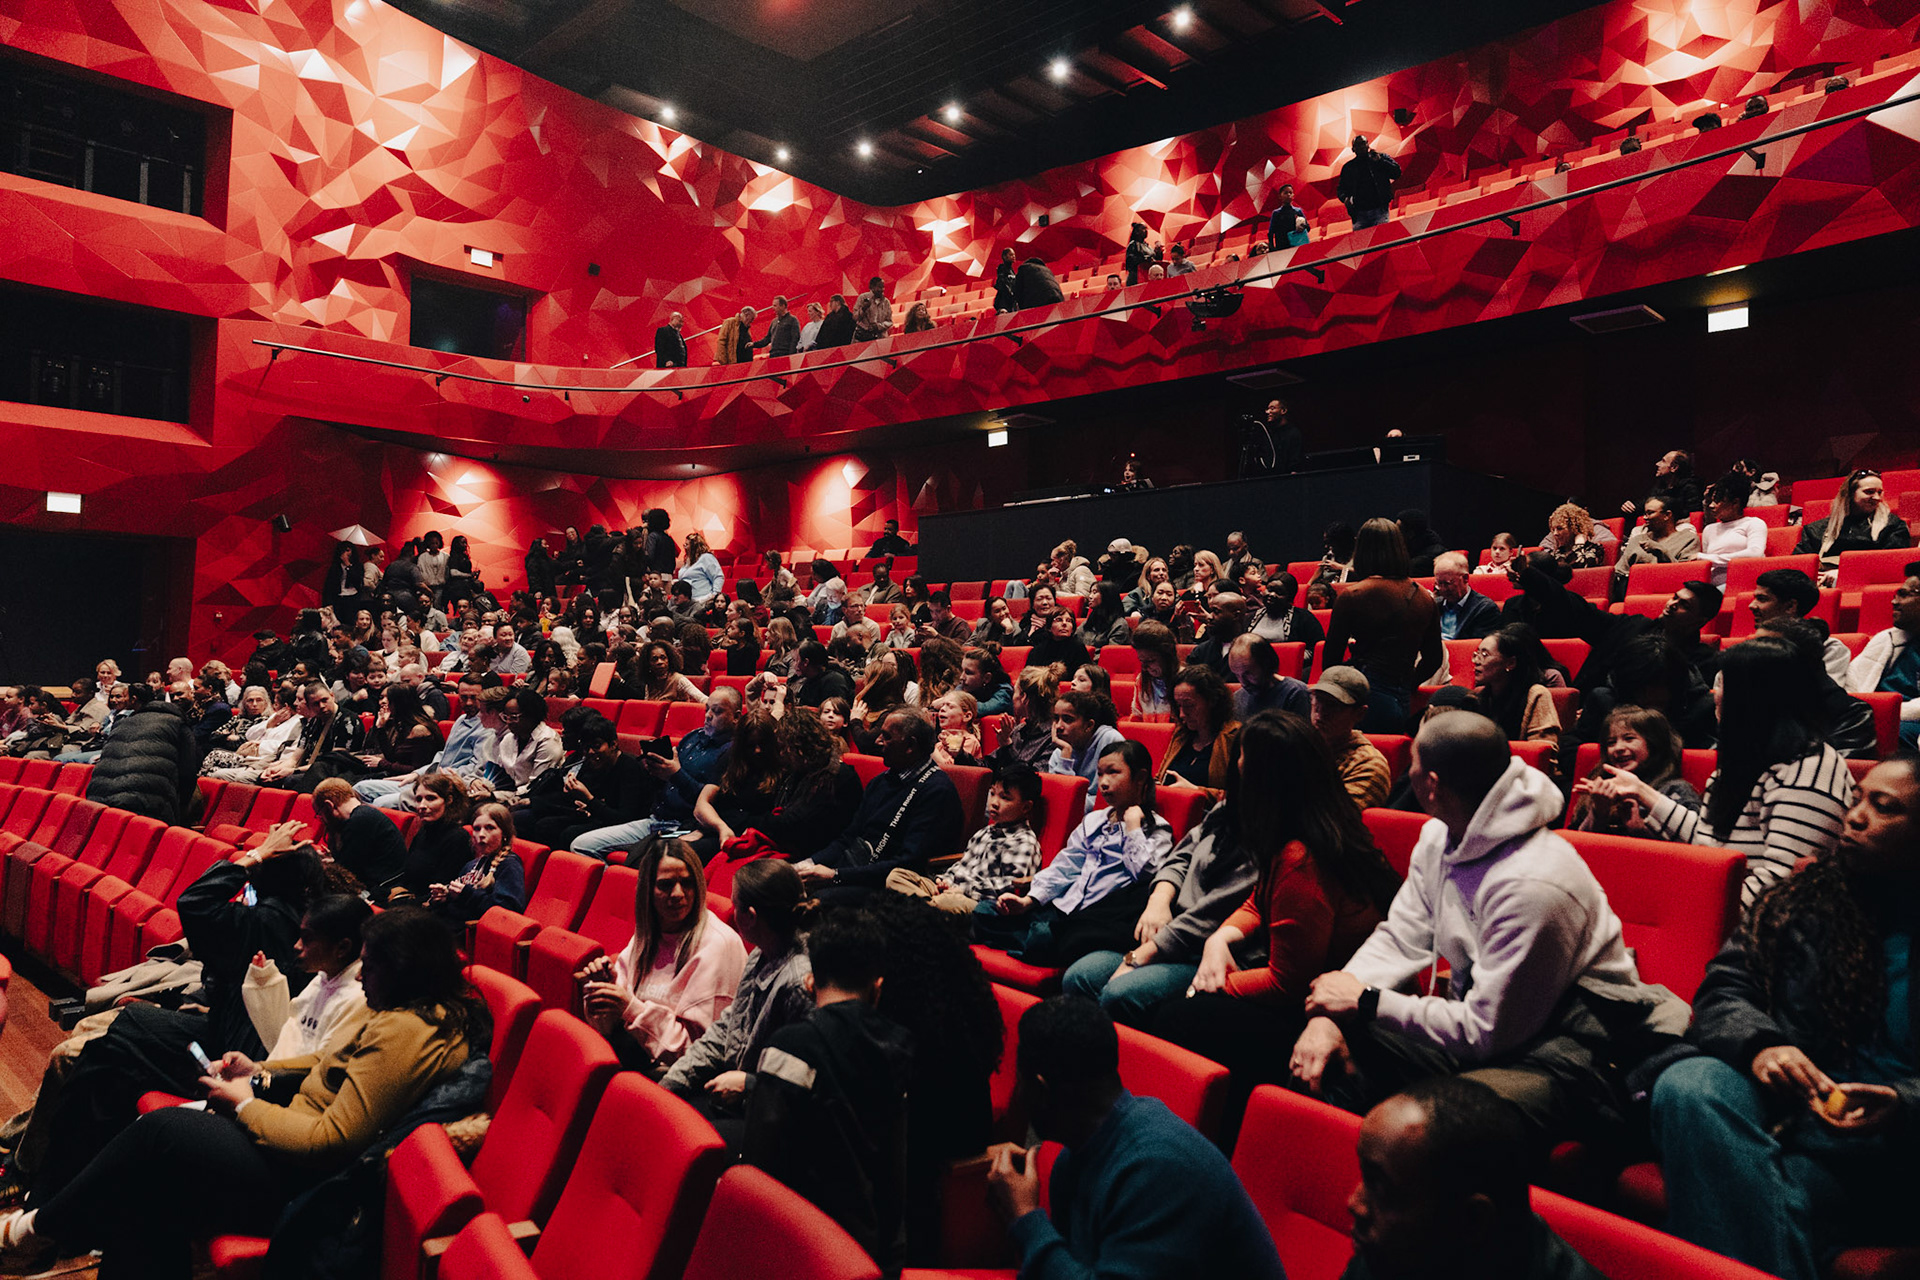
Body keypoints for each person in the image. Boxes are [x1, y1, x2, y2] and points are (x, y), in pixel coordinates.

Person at [0, 908, 487, 1280]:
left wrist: (245, 1105)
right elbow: (325, 1061)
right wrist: (258, 1070)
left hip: (308, 1185)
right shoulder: (404, 1012)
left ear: (404, 971)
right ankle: (40, 1232)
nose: (360, 976)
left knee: (161, 1132)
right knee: (148, 1194)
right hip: (288, 1147)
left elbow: (333, 1141)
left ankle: (34, 1232)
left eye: (372, 966)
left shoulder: (406, 1030)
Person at [1290, 713, 1688, 1147]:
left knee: (1433, 1127)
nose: (1407, 773)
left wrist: (1364, 1001)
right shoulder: (1439, 837)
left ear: (1432, 785)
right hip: (1490, 1026)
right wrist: (1330, 1015)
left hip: (1569, 1051)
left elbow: (1486, 1031)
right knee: (1319, 1046)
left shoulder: (1533, 882)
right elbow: (1401, 937)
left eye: (1412, 766)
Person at [1649, 757, 1920, 1280]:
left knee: (1751, 1193)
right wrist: (1763, 1046)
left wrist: (1903, 1104)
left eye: (1884, 808)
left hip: (1884, 1153)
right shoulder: (1801, 900)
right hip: (1784, 1111)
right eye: (1858, 798)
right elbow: (1725, 989)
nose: (1855, 816)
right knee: (1690, 1082)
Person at [1146, 709, 1401, 1078]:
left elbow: (1288, 983)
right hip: (1310, 987)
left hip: (1339, 1014)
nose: (1237, 768)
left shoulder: (1302, 856)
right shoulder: (1308, 822)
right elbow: (1258, 900)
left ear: (1267, 780)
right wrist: (1219, 939)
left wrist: (1214, 985)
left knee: (1176, 1016)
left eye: (1244, 759)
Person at [985, 997, 1286, 1280]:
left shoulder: (1157, 1171)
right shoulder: (1076, 1155)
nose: (1018, 1094)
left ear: (1041, 1091)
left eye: (1019, 1081)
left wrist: (1025, 1218)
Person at [1597, 635, 1855, 908]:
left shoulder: (1810, 770)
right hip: (1716, 906)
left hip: (1760, 925)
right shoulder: (1748, 757)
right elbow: (1707, 840)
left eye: (1724, 684)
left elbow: (1781, 883)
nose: (1715, 694)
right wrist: (1641, 790)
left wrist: (1690, 914)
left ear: (1754, 697)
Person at [741, 909, 911, 1274]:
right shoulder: (901, 1049)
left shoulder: (789, 1047)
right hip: (869, 1250)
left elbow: (759, 1168)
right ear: (877, 988)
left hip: (798, 1246)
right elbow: (896, 1176)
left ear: (809, 982)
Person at [1343, 1077, 1609, 1280]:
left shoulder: (1400, 1252)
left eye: (1381, 1188)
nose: (1354, 1204)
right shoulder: (1391, 1256)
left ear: (1471, 1219)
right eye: (1365, 1177)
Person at [977, 740, 1174, 969]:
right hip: (1063, 910)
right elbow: (1066, 866)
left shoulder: (1157, 829)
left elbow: (1145, 874)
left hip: (1097, 920)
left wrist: (1132, 828)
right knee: (984, 911)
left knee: (1044, 935)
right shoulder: (1094, 820)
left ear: (1140, 777)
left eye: (1113, 772)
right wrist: (1028, 901)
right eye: (1100, 774)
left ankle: (1035, 943)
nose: (1104, 783)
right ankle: (1034, 945)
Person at [576, 837, 745, 1076]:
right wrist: (604, 993)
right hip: (636, 1060)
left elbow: (698, 1053)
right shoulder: (649, 933)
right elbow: (609, 1026)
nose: (677, 894)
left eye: (687, 883)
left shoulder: (719, 945)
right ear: (647, 890)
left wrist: (631, 1008)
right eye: (665, 885)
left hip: (680, 1077)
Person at [798, 709, 963, 903]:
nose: (877, 742)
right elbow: (848, 838)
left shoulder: (937, 791)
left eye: (886, 737)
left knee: (816, 901)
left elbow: (908, 863)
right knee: (784, 882)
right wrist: (808, 864)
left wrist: (836, 876)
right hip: (857, 870)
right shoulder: (881, 781)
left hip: (894, 885)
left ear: (910, 745)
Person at [1324, 518, 1442, 732]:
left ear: (1362, 551)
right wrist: (1407, 684)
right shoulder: (1424, 597)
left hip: (1365, 696)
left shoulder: (1354, 595)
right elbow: (1434, 659)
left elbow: (1331, 659)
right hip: (1402, 698)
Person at [887, 762, 1042, 915]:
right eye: (992, 793)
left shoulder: (1024, 842)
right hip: (953, 891)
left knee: (943, 902)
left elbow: (1010, 887)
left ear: (1026, 807)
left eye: (1005, 798)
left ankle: (922, 910)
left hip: (981, 902)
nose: (994, 803)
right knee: (896, 876)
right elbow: (962, 866)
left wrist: (963, 890)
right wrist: (945, 881)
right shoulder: (985, 832)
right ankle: (928, 910)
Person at [1567, 705, 1700, 833]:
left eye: (1629, 739)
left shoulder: (1674, 790)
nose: (1618, 748)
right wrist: (1598, 813)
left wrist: (1640, 830)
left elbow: (1694, 840)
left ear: (1653, 744)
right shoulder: (1600, 785)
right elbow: (1573, 839)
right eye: (1611, 742)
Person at [84, 692, 198, 824]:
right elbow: (188, 772)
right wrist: (181, 807)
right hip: (144, 806)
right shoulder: (178, 724)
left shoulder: (122, 723)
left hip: (98, 802)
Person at [1797, 469, 1912, 582]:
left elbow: (1891, 565)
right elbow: (1800, 565)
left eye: (1879, 492)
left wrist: (1843, 573)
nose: (1877, 498)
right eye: (1869, 492)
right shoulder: (1816, 530)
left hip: (1866, 583)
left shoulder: (1893, 526)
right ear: (1850, 494)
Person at [1850, 561, 1920, 744]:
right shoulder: (1886, 639)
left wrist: (1882, 712)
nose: (1894, 601)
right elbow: (1851, 684)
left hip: (1905, 722)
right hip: (1871, 716)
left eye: (1903, 594)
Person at [311, 777, 409, 903]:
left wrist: (330, 865)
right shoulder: (361, 816)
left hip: (381, 891)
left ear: (329, 806)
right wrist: (332, 861)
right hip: (374, 884)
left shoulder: (361, 820)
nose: (321, 820)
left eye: (319, 814)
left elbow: (348, 872)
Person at [1309, 666, 1393, 810]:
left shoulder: (1369, 765)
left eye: (1333, 705)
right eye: (1319, 700)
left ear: (1359, 714)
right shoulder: (1300, 745)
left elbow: (1336, 818)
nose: (1321, 712)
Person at [427, 801, 525, 925]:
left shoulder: (509, 865)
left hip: (472, 930)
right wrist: (445, 897)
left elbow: (507, 911)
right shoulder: (472, 865)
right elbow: (459, 904)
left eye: (490, 828)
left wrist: (467, 894)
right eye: (477, 829)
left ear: (504, 833)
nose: (481, 835)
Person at [1752, 567, 1853, 687]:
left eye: (1762, 599)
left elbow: (1822, 694)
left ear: (1790, 606)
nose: (1752, 605)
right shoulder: (1752, 646)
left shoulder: (1828, 647)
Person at [1472, 627, 1561, 749]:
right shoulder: (1479, 695)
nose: (1476, 661)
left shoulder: (1536, 694)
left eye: (1484, 655)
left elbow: (1543, 748)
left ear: (1510, 663)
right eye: (1477, 654)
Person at [1047, 690, 1125, 812]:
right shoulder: (1061, 751)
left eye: (1067, 719)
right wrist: (1065, 757)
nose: (1058, 726)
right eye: (1056, 719)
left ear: (1088, 725)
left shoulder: (1110, 741)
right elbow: (1059, 801)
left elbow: (1111, 801)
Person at [1611, 495, 1699, 594]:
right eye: (1645, 513)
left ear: (1667, 515)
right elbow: (1619, 571)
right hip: (1634, 591)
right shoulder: (1637, 539)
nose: (1645, 517)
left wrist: (1661, 551)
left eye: (1650, 513)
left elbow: (1684, 575)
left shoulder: (1688, 539)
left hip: (1669, 592)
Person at [1697, 474, 1767, 588]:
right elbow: (1708, 566)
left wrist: (1704, 557)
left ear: (1735, 503)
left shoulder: (1754, 523)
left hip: (1744, 582)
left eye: (1718, 501)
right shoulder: (1709, 529)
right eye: (1711, 501)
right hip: (1713, 586)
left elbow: (1755, 554)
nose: (1711, 505)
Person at [1428, 552, 1498, 642]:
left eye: (1447, 583)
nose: (1443, 589)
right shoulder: (1433, 605)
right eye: (1439, 583)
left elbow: (1476, 645)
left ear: (1465, 578)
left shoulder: (1485, 609)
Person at [1337, 134, 1402, 228]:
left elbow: (1396, 173)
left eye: (1363, 143)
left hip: (1380, 208)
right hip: (1359, 213)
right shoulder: (1348, 168)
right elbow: (1341, 189)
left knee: (1381, 234)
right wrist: (1345, 199)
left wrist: (1380, 161)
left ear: (1368, 145)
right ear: (1353, 149)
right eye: (1358, 145)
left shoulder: (1380, 157)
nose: (1361, 147)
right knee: (1362, 237)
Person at [1541, 503, 1606, 569]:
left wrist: (1579, 545)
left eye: (1560, 528)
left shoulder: (1595, 549)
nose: (1555, 533)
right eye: (1553, 529)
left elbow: (1581, 567)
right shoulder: (1559, 552)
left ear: (1574, 529)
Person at [1268, 181, 1308, 249]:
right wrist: (1272, 248)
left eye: (1290, 192)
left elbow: (1308, 227)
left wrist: (1302, 226)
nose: (1288, 194)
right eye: (1285, 193)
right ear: (1280, 196)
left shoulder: (1298, 211)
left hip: (1296, 244)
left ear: (1293, 195)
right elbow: (1271, 232)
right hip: (1282, 246)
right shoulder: (1276, 213)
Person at [852, 276, 892, 340]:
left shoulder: (886, 302)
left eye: (883, 287)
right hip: (863, 338)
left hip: (880, 338)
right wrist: (863, 309)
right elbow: (855, 317)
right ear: (872, 287)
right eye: (879, 287)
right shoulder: (862, 298)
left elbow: (889, 322)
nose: (882, 289)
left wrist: (878, 326)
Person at [1123, 221, 1153, 285]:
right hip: (1136, 277)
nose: (1146, 231)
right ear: (1137, 232)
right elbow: (1130, 260)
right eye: (1143, 229)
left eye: (1146, 229)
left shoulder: (1147, 246)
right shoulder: (1133, 244)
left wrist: (1158, 252)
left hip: (1146, 275)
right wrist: (1144, 259)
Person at [993, 246, 1018, 312]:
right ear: (1005, 257)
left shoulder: (1012, 270)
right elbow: (1002, 284)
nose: (1013, 256)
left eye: (1014, 254)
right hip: (1004, 301)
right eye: (1011, 255)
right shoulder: (1002, 268)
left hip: (1011, 300)